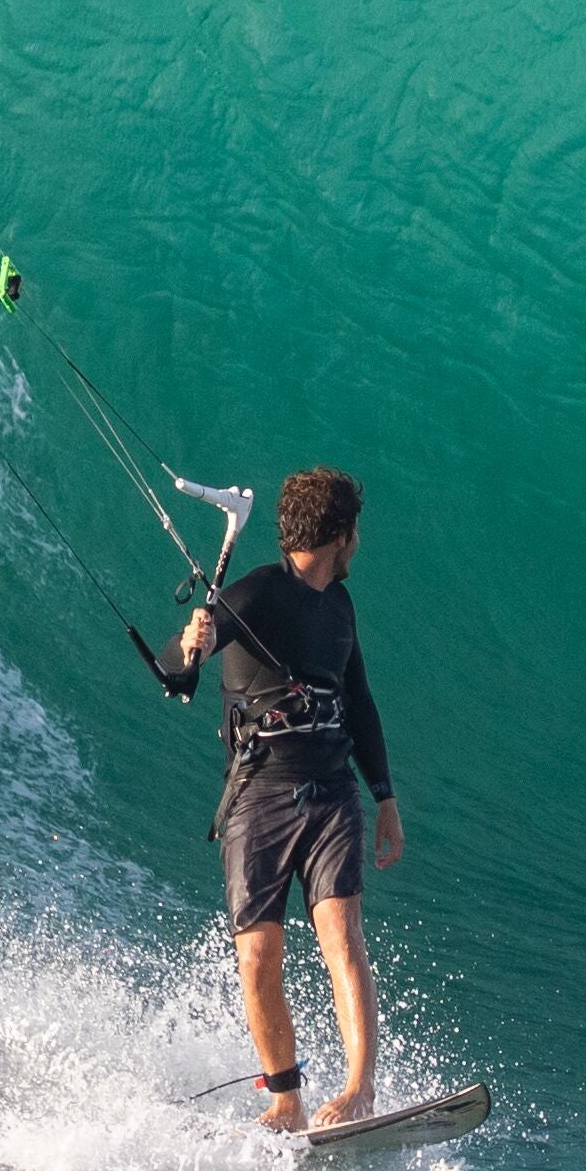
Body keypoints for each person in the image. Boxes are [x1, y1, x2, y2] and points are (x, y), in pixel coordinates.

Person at [163, 466, 403, 1132]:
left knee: (342, 939)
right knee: (257, 955)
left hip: (332, 794)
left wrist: (383, 795)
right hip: (257, 795)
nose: (358, 543)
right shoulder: (260, 591)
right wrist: (192, 645)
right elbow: (178, 673)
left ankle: (359, 1090)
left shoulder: (340, 608)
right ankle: (287, 1099)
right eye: (355, 532)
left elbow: (359, 702)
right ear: (339, 535)